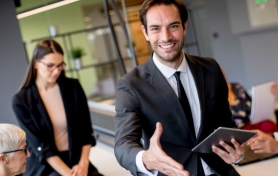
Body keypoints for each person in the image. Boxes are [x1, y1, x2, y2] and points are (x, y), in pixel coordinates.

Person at [114, 0, 245, 176]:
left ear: (184, 27)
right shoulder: (131, 84)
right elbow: (123, 144)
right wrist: (145, 158)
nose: (166, 37)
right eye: (155, 28)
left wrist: (236, 153)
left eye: (173, 26)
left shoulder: (211, 69)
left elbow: (226, 127)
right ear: (145, 32)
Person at [12, 39, 102, 176]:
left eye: (60, 65)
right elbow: (41, 146)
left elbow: (86, 132)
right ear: (36, 63)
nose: (56, 71)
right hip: (46, 165)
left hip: (76, 161)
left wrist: (83, 164)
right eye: (50, 66)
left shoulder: (73, 88)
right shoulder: (21, 100)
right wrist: (68, 174)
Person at [222, 68, 278, 133]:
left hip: (251, 121)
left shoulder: (237, 86)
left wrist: (269, 96)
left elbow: (252, 104)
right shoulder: (214, 96)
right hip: (239, 130)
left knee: (268, 125)